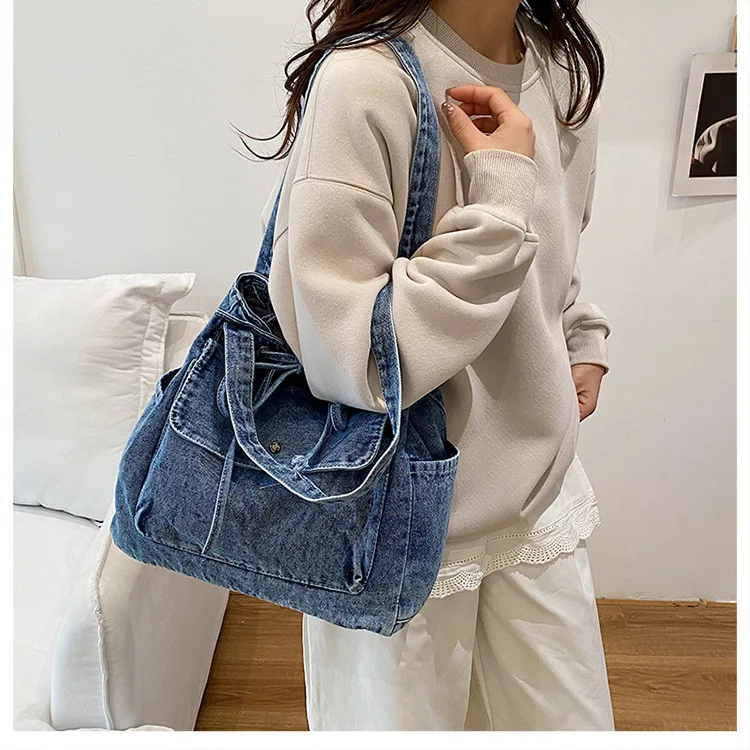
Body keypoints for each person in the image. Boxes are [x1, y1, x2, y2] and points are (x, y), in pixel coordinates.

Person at [240, 0, 614, 731]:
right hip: (395, 516)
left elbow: (554, 257)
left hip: (539, 493)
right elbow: (351, 358)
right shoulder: (366, 81)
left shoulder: (563, 72)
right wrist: (499, 197)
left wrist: (579, 337)